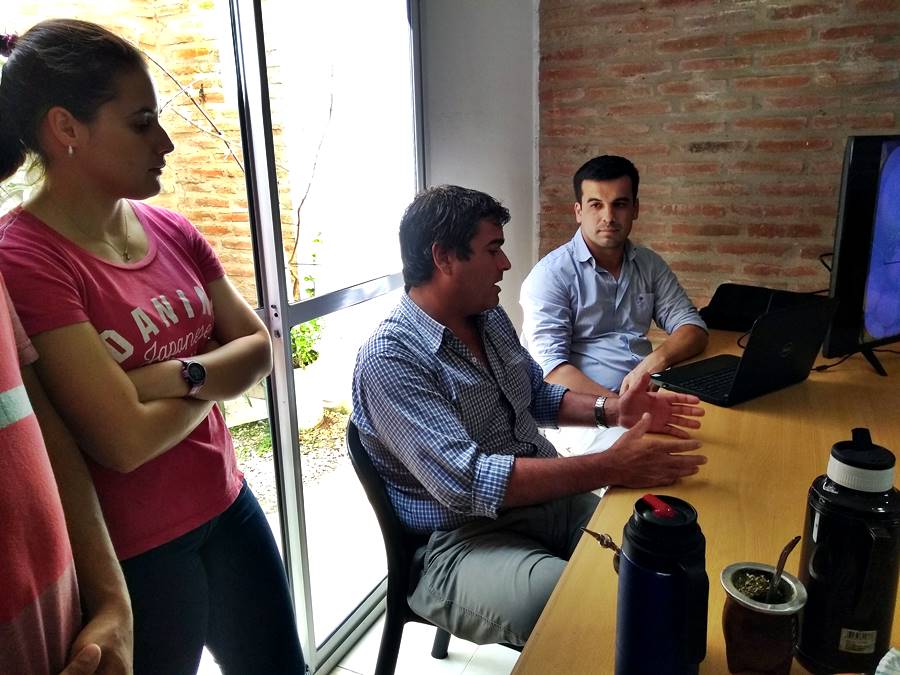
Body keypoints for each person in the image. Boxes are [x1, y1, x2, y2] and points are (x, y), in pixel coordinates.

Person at [0, 20, 304, 674]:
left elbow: (262, 348)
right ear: (66, 128)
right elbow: (123, 441)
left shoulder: (171, 228)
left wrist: (172, 376)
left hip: (228, 503)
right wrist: (216, 376)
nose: (164, 142)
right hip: (140, 550)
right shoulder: (25, 258)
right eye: (142, 123)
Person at [352, 185, 707, 647]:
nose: (505, 263)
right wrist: (609, 466)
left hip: (546, 505)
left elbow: (535, 394)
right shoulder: (390, 359)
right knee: (591, 608)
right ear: (444, 257)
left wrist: (615, 410)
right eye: (492, 249)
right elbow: (467, 482)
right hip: (460, 541)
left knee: (658, 563)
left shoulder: (487, 317)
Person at [520, 155, 708, 454]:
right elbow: (551, 370)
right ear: (579, 211)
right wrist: (622, 407)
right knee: (665, 456)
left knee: (715, 433)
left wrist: (652, 363)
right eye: (596, 205)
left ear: (635, 209)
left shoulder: (649, 264)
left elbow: (693, 328)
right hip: (582, 413)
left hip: (644, 397)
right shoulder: (550, 275)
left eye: (619, 204)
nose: (608, 216)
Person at [1, 267, 133, 674]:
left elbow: (39, 421)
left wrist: (113, 603)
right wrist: (200, 376)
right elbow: (127, 439)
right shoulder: (28, 257)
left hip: (72, 639)